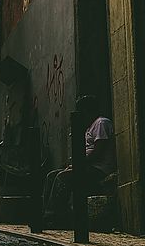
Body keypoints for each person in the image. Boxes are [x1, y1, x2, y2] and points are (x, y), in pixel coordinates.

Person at [42, 95, 115, 226]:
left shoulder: (101, 123)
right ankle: (45, 213)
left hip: (98, 167)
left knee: (62, 177)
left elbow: (98, 151)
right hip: (87, 165)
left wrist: (78, 164)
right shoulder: (89, 127)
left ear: (87, 111)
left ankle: (54, 217)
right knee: (51, 176)